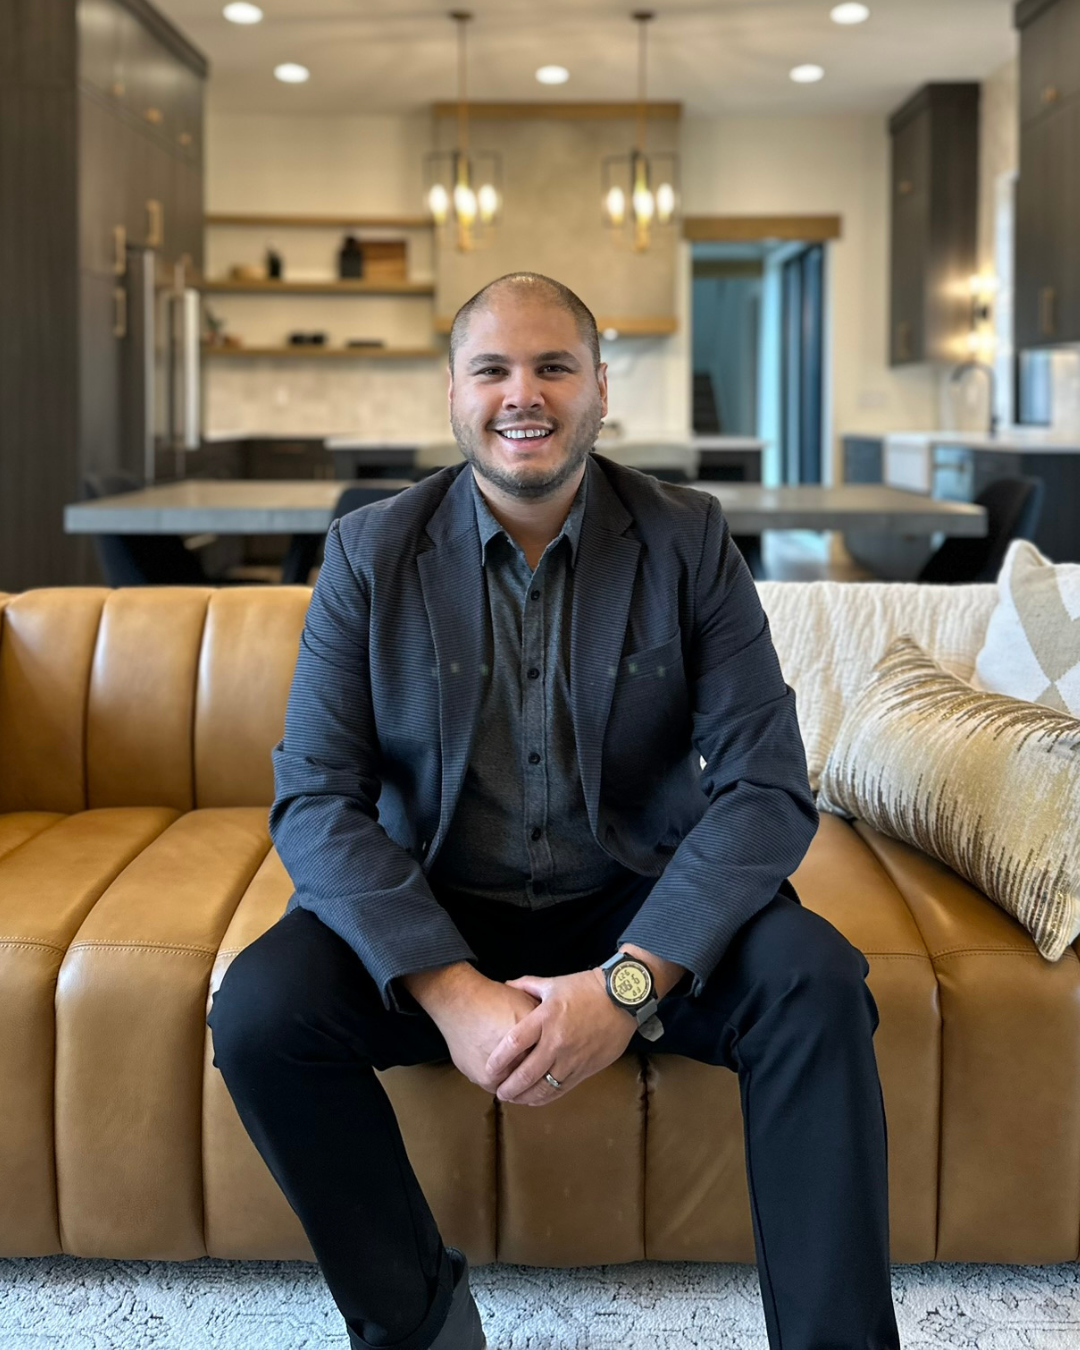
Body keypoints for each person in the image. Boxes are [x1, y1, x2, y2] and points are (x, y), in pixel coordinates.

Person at [206, 272, 901, 1350]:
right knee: (257, 1013)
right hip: (434, 904)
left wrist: (629, 985)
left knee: (815, 983)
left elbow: (766, 786)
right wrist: (449, 991)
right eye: (492, 368)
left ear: (599, 390)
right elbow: (315, 800)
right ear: (452, 393)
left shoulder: (687, 538)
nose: (521, 394)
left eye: (553, 366)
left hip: (635, 903)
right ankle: (421, 1320)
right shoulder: (369, 551)